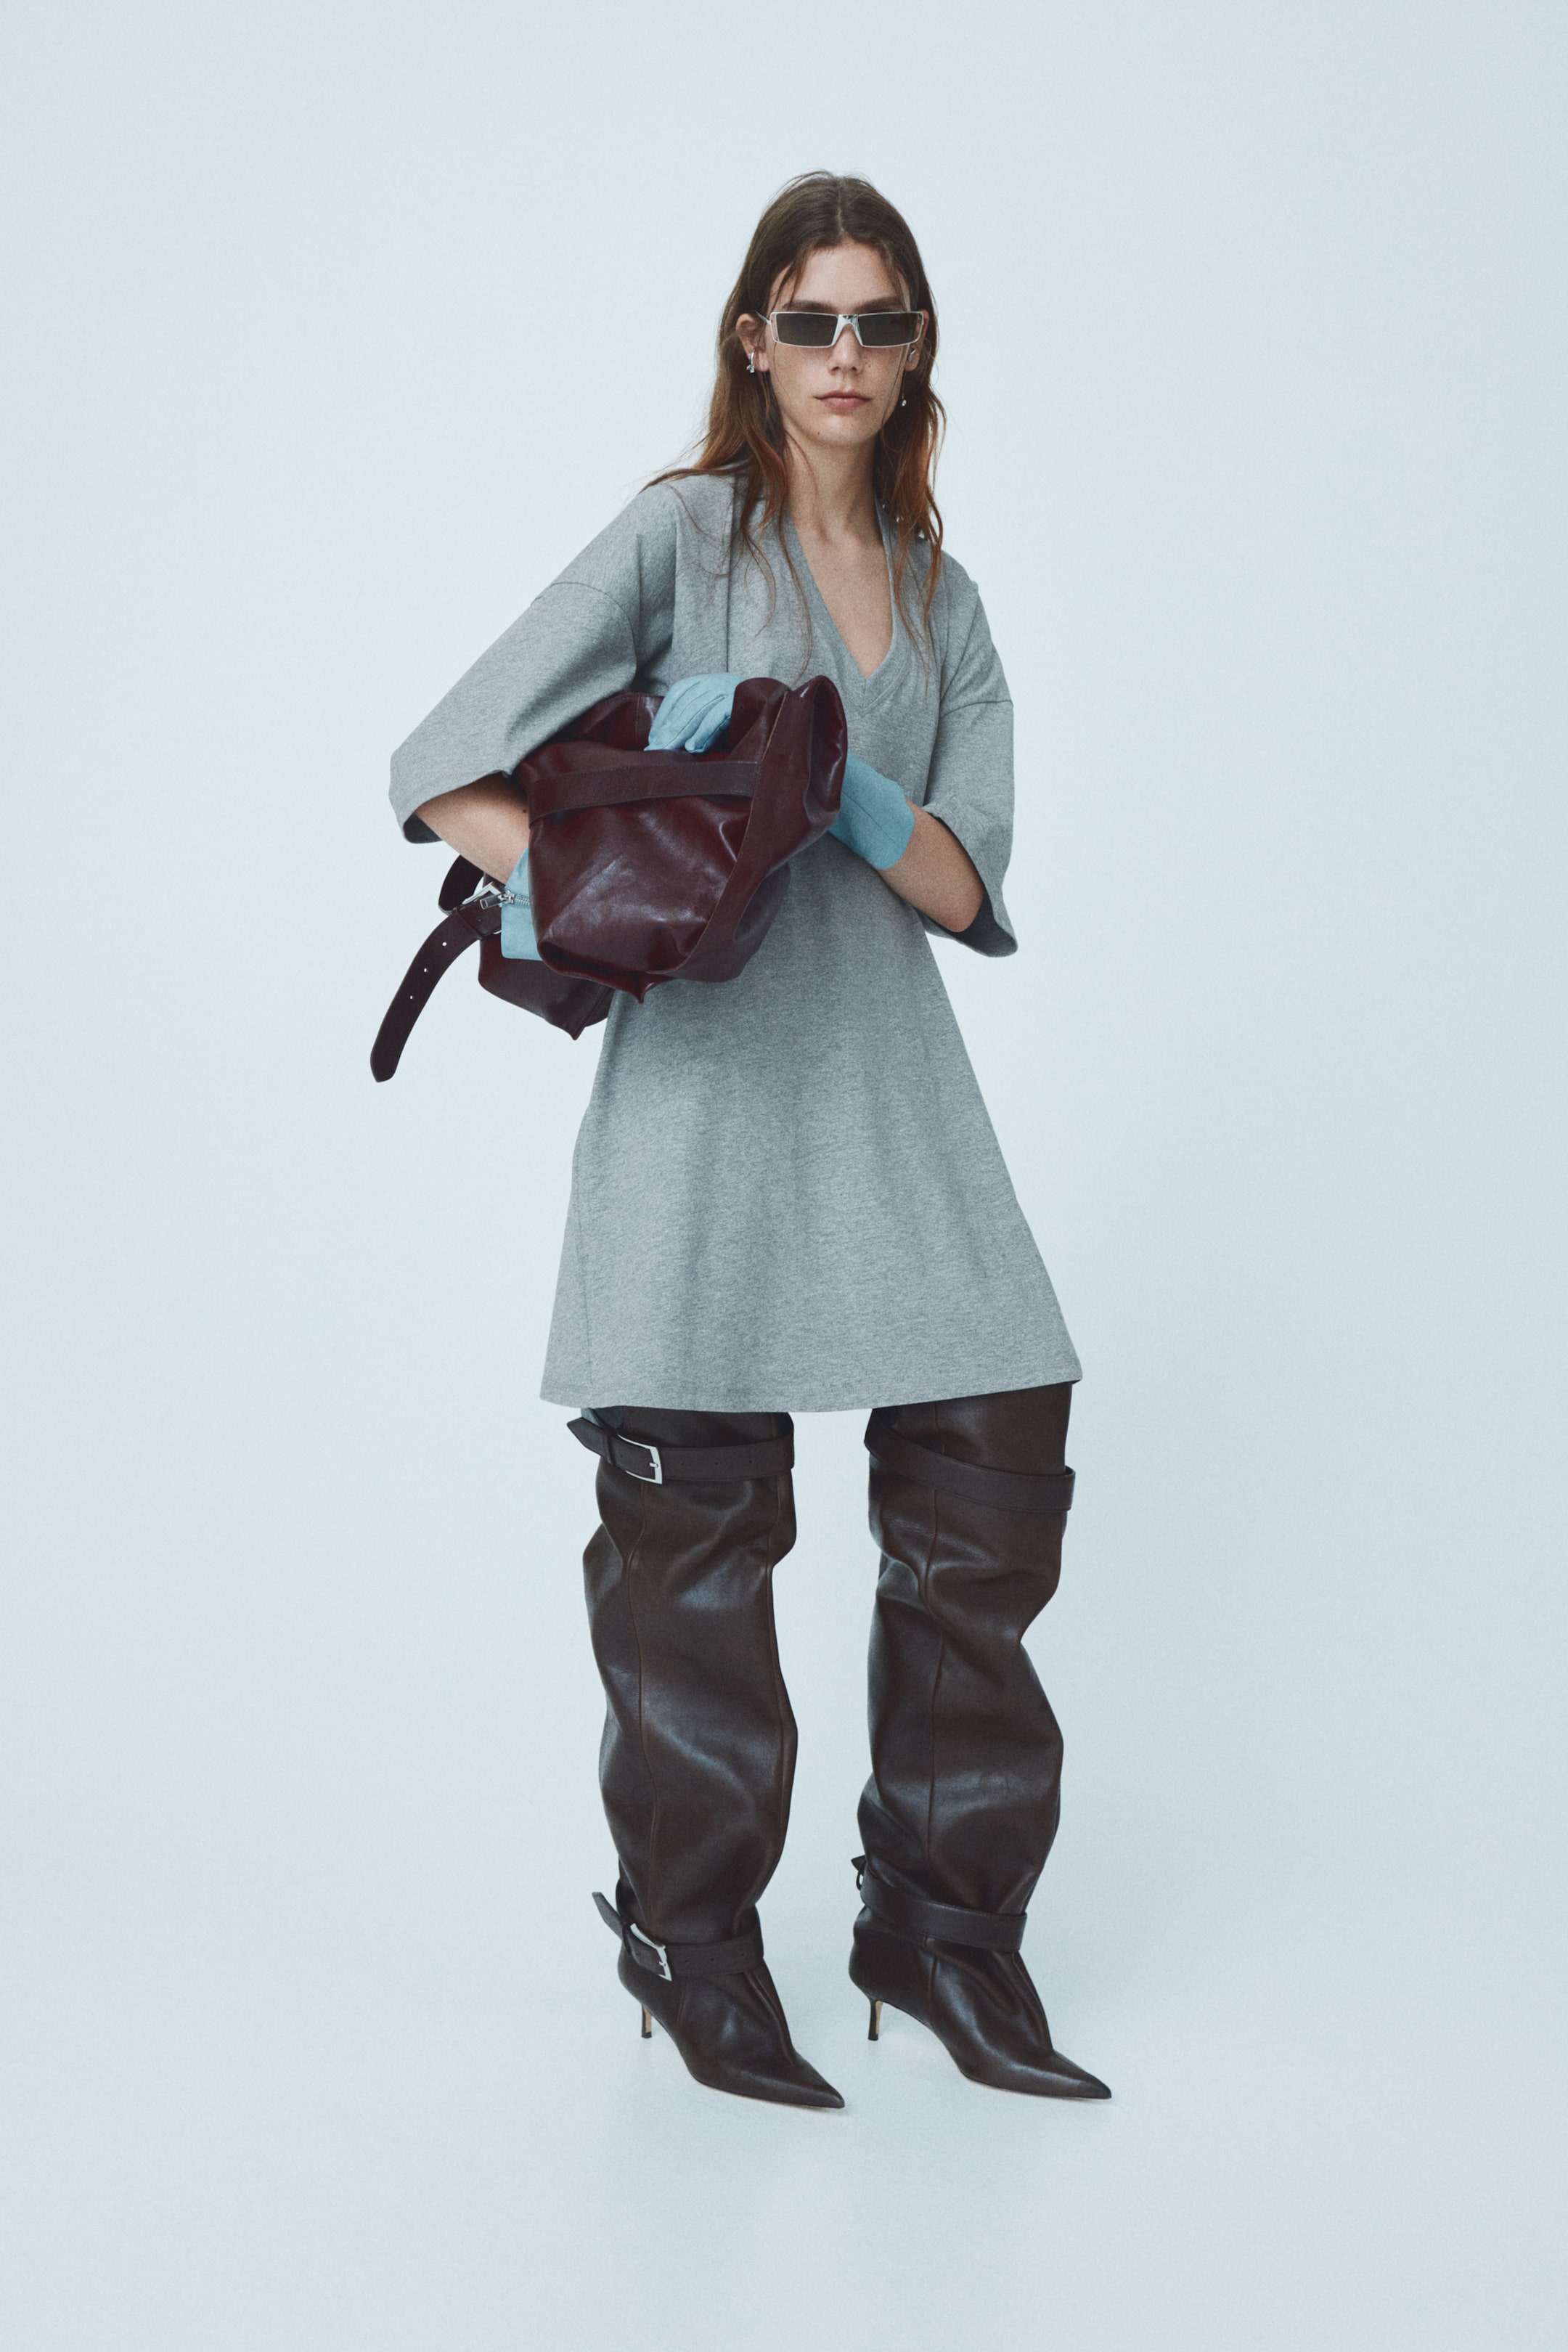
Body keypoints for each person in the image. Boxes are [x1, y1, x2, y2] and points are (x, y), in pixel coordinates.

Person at [388, 173, 1108, 2110]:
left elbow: (968, 890)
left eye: (880, 322)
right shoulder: (681, 537)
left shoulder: (946, 596)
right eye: (812, 320)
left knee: (992, 1473)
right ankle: (693, 1949)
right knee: (693, 1546)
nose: (845, 354)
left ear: (919, 347)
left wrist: (844, 788)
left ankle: (941, 1935)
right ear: (754, 340)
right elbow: (437, 767)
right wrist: (612, 881)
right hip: (702, 1115)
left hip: (893, 1101)